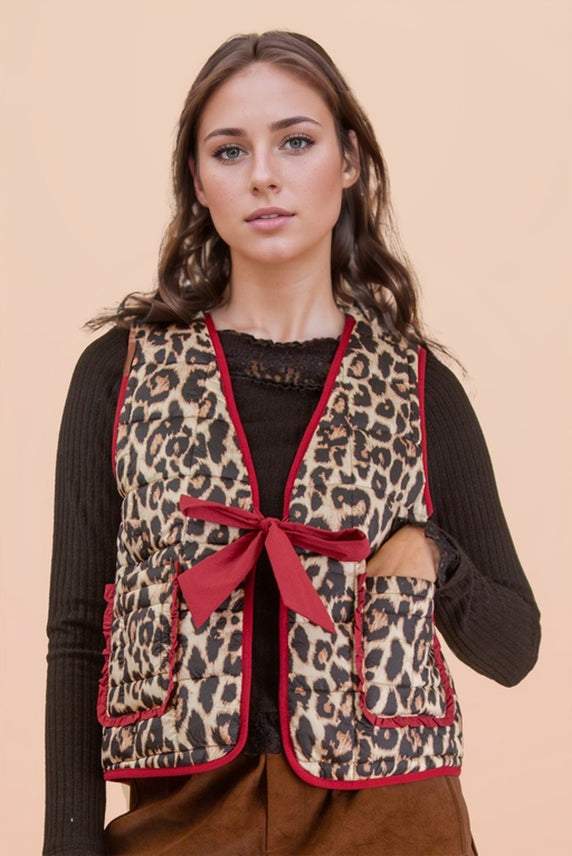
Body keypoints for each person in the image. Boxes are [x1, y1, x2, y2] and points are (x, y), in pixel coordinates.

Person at [43, 30, 540, 856]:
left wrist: (434, 556)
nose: (264, 176)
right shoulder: (119, 374)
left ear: (349, 161)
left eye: (296, 142)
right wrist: (67, 843)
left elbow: (515, 646)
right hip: (186, 818)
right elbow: (77, 635)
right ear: (197, 180)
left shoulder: (419, 388)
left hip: (392, 819)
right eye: (230, 150)